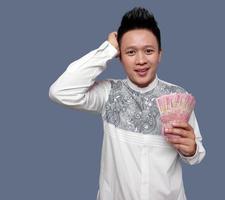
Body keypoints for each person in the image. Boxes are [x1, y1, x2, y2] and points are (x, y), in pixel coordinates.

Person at [49, 7, 206, 200]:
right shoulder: (109, 93)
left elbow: (197, 154)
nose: (141, 60)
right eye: (130, 52)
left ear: (160, 54)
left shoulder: (177, 98)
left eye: (149, 51)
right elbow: (60, 91)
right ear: (119, 57)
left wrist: (191, 150)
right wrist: (107, 49)